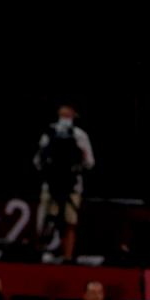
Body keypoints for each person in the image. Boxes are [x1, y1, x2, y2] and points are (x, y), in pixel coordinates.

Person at [34, 105, 95, 261]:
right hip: (51, 185)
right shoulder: (49, 134)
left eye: (68, 113)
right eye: (63, 113)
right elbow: (37, 161)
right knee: (45, 221)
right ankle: (38, 255)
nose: (65, 116)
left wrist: (80, 156)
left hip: (72, 186)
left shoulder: (80, 135)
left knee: (69, 222)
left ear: (74, 115)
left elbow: (90, 163)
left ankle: (67, 257)